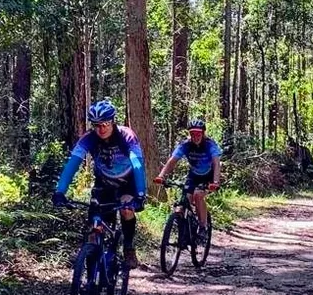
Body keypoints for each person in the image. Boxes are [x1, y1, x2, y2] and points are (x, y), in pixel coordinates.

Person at [52, 99, 147, 268]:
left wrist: (140, 194)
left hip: (128, 183)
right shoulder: (89, 138)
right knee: (94, 222)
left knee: (126, 210)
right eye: (96, 125)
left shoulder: (126, 135)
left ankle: (129, 248)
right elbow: (72, 164)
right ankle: (89, 267)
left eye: (105, 124)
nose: (101, 129)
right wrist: (60, 191)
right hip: (104, 183)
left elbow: (137, 163)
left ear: (113, 122)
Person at [154, 118, 221, 244]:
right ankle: (184, 231)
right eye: (192, 133)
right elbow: (172, 161)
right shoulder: (186, 145)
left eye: (198, 133)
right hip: (194, 175)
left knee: (198, 195)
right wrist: (161, 176)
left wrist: (215, 182)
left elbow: (216, 163)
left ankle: (202, 227)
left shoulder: (209, 145)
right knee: (184, 200)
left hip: (209, 176)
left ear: (203, 133)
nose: (195, 136)